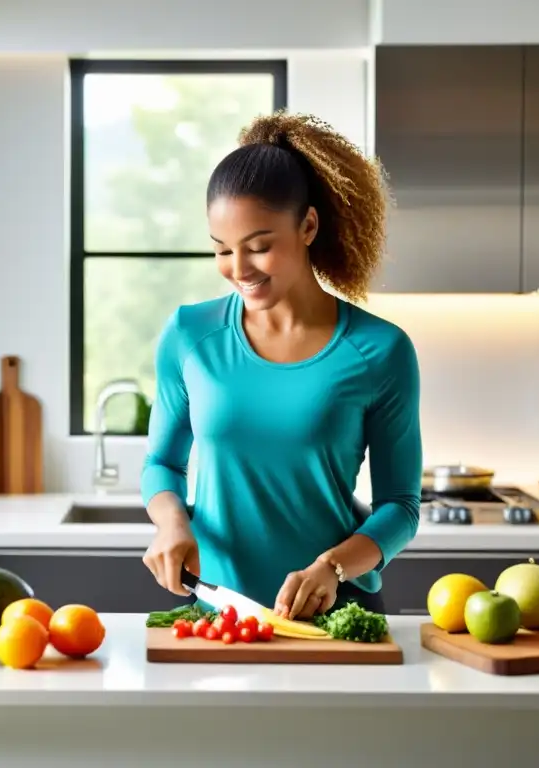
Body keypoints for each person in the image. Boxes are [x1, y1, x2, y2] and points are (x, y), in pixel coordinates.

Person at [140, 112, 422, 621]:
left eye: (259, 246)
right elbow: (162, 464)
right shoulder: (190, 336)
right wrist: (172, 524)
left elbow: (400, 505)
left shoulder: (380, 350)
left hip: (338, 613)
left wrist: (333, 568)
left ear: (308, 225)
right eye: (223, 250)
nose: (239, 269)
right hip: (219, 612)